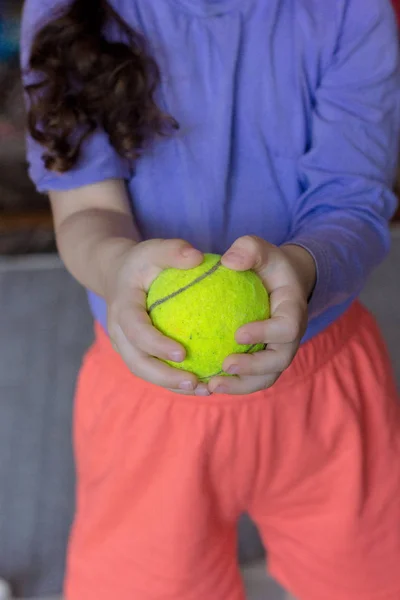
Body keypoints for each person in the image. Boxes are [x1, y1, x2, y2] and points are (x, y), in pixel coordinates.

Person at [20, 0, 400, 598]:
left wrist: (300, 271)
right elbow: (87, 209)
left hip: (325, 395)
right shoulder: (64, 10)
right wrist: (118, 267)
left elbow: (352, 203)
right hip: (144, 398)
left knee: (369, 580)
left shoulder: (353, 11)